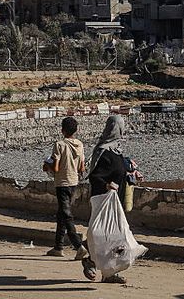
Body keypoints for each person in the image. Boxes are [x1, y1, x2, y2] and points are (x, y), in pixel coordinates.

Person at [80, 114, 131, 284]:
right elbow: (95, 177)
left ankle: (109, 273)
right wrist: (108, 184)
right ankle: (91, 261)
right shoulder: (103, 152)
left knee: (115, 237)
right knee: (102, 235)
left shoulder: (117, 150)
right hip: (104, 201)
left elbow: (120, 171)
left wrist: (131, 173)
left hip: (117, 202)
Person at [43, 116, 88, 259]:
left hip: (62, 183)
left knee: (66, 215)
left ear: (62, 130)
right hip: (74, 182)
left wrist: (46, 165)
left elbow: (55, 167)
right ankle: (58, 246)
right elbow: (82, 167)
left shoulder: (59, 145)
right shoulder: (80, 144)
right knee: (62, 213)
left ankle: (78, 245)